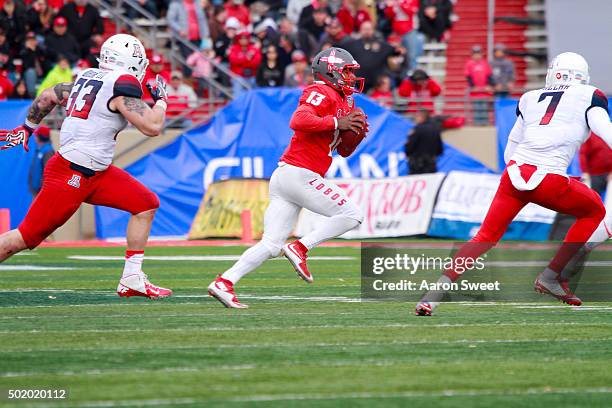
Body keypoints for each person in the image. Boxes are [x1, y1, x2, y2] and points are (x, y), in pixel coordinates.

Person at [416, 52, 612, 316]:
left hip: (514, 174)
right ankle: (552, 275)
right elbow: (606, 132)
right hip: (549, 178)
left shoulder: (530, 98)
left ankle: (432, 296)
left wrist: (522, 178)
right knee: (595, 211)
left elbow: (511, 149)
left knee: (485, 236)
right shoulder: (589, 95)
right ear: (582, 77)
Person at [0, 34, 172, 299]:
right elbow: (152, 126)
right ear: (131, 62)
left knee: (145, 204)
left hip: (96, 171)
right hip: (72, 172)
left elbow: (49, 95)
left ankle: (132, 279)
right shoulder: (121, 82)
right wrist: (161, 99)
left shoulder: (88, 76)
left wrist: (27, 128)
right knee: (23, 238)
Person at [208, 47, 367, 308]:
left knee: (271, 244)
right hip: (299, 173)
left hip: (288, 175)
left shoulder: (345, 101)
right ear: (331, 71)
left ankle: (224, 282)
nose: (351, 77)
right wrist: (339, 124)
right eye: (347, 71)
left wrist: (353, 135)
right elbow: (299, 119)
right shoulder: (321, 91)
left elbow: (343, 150)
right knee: (352, 215)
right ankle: (301, 247)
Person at [342, 21, 394, 92]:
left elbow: (394, 51)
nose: (367, 32)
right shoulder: (351, 45)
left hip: (376, 84)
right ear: (360, 30)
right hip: (356, 83)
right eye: (365, 29)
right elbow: (339, 50)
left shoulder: (381, 45)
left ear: (373, 30)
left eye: (369, 29)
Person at [404, 109, 443, 174]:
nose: (415, 119)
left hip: (417, 164)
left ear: (422, 117)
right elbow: (440, 148)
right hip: (431, 163)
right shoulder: (435, 129)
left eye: (417, 116)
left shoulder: (417, 129)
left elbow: (410, 146)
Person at [465, 45, 493, 125]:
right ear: (472, 55)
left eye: (478, 53)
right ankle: (477, 124)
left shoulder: (485, 63)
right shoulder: (469, 64)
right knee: (476, 108)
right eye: (475, 54)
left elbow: (489, 76)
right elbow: (468, 76)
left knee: (484, 108)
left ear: (481, 54)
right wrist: (473, 86)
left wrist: (488, 85)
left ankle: (485, 124)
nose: (477, 55)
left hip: (484, 91)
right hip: (475, 92)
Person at [228, 31, 262, 96]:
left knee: (255, 86)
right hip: (238, 76)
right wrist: (247, 58)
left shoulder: (254, 49)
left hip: (252, 76)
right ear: (238, 39)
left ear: (248, 39)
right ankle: (239, 105)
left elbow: (256, 63)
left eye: (245, 38)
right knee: (238, 82)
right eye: (241, 38)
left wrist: (242, 62)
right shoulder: (234, 48)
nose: (243, 40)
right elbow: (233, 61)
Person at [580, 132, 612, 199]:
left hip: (609, 174)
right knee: (594, 199)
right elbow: (583, 154)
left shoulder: (609, 133)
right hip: (594, 175)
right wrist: (585, 172)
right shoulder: (590, 135)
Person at [28, 126, 55, 197]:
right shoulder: (40, 149)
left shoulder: (48, 151)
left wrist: (43, 191)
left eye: (36, 135)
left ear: (41, 137)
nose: (35, 137)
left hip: (41, 192)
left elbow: (49, 174)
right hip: (36, 190)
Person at [20, 31, 47, 97]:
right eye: (30, 40)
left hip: (42, 75)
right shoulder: (24, 52)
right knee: (31, 72)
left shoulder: (40, 50)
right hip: (28, 76)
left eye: (33, 40)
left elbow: (46, 61)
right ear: (26, 42)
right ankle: (32, 96)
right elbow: (27, 66)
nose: (32, 42)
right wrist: (30, 50)